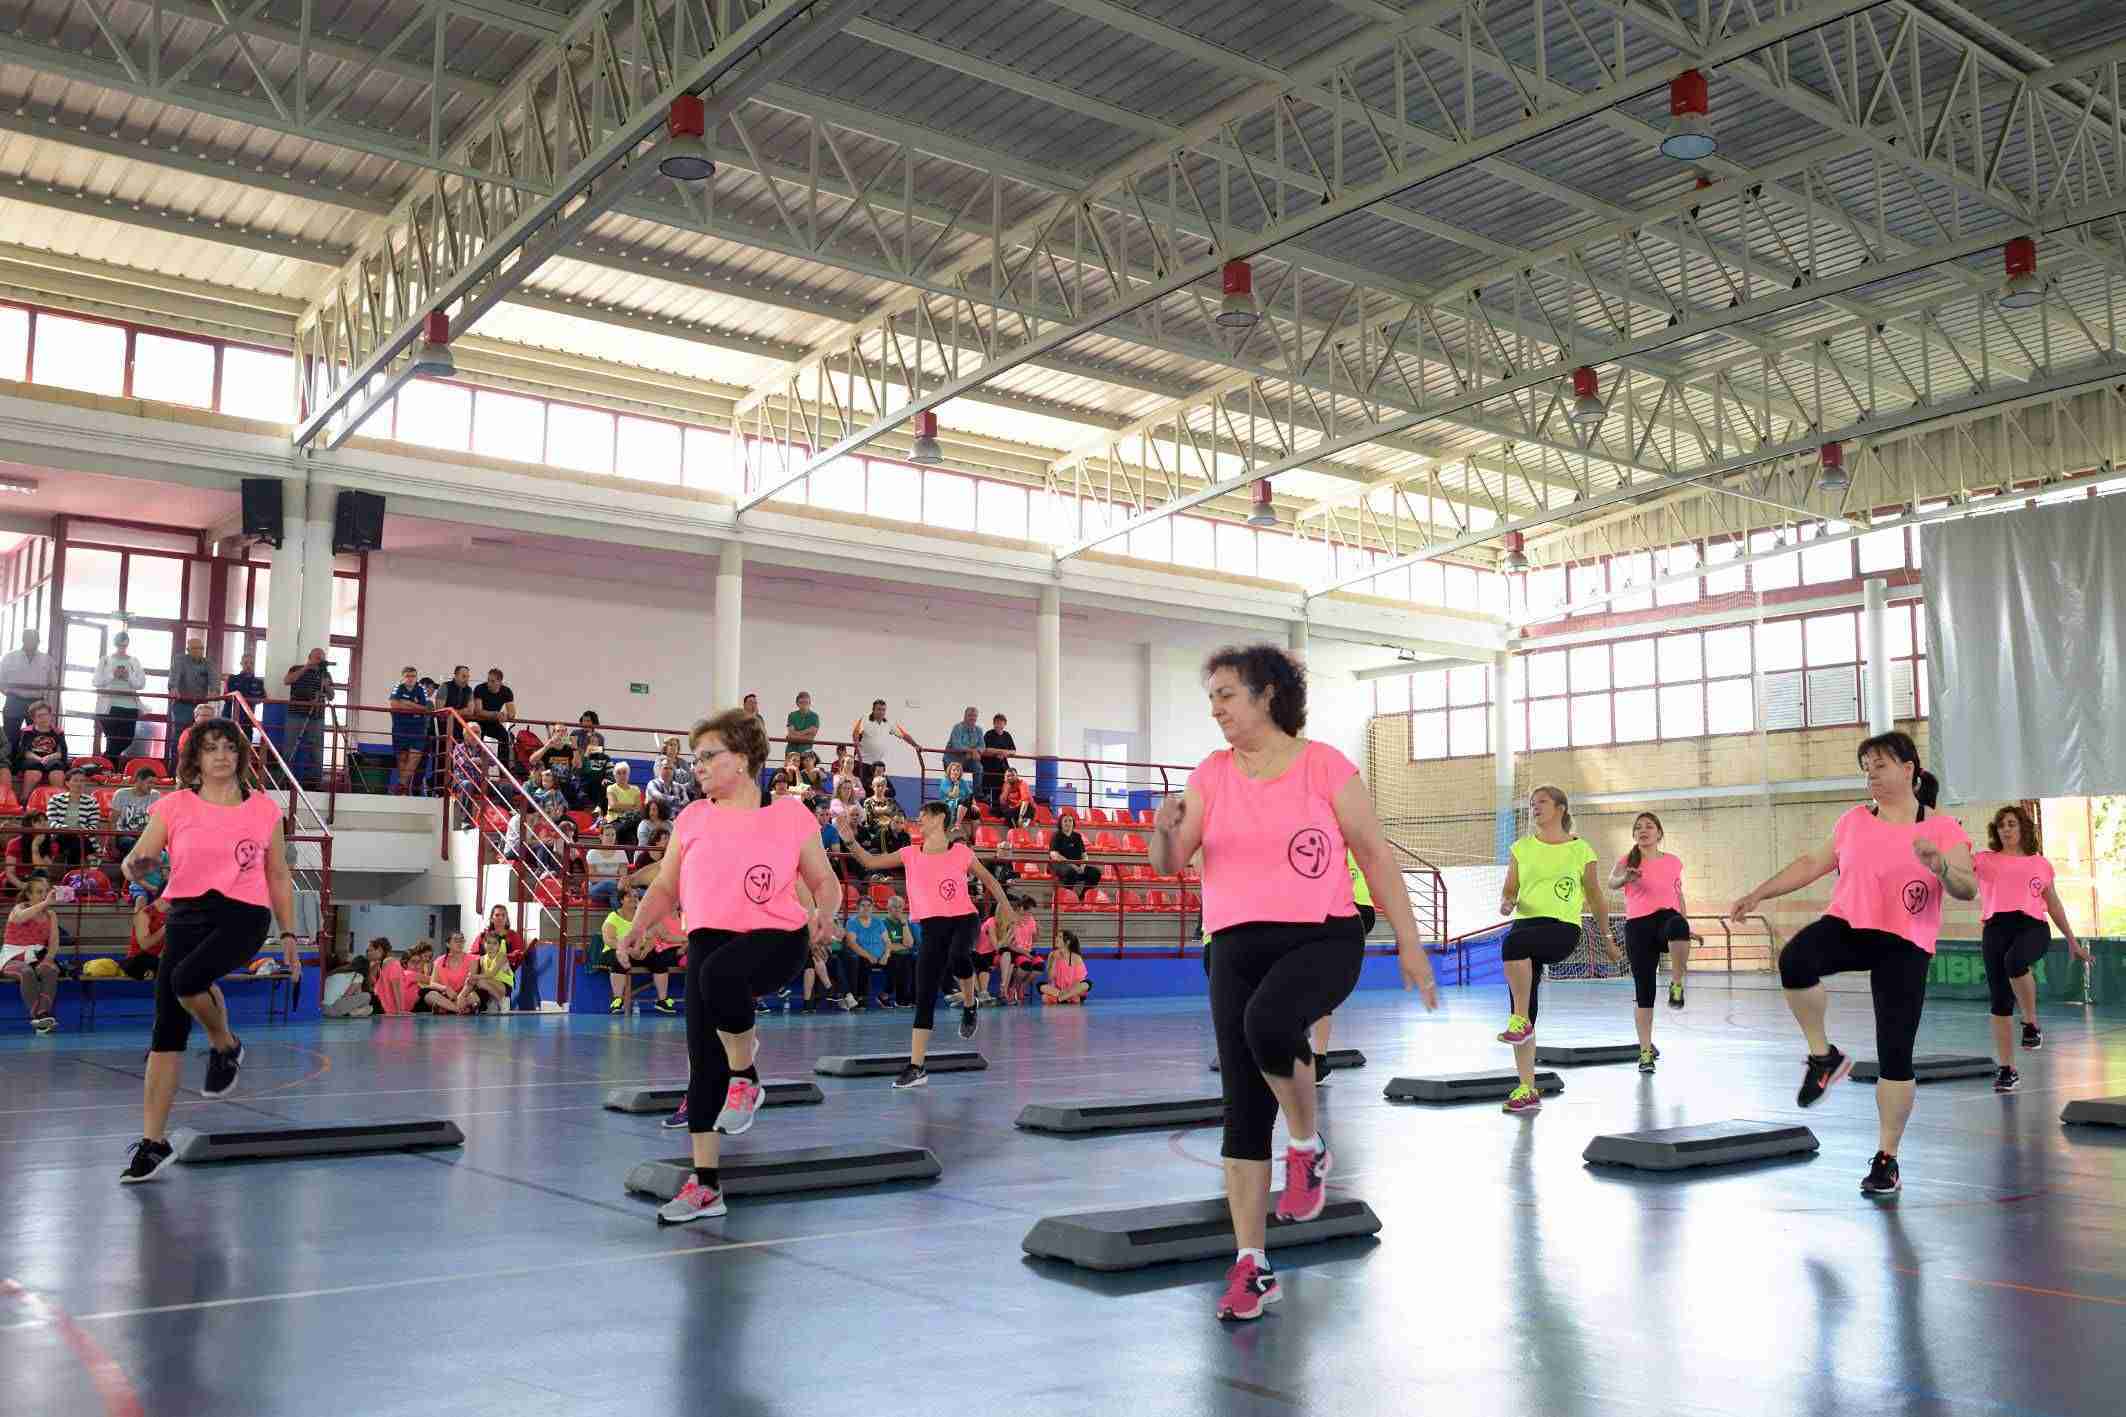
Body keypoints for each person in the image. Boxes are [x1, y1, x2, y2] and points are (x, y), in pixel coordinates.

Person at [1148, 643, 1438, 1323]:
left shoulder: (1324, 765)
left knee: (1269, 1025)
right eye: (1211, 697)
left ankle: (1306, 1145)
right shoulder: (1211, 775)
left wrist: (1410, 943)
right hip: (1233, 946)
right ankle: (1253, 1266)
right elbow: (1170, 862)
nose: (1216, 707)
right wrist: (1161, 834)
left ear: (1267, 694)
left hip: (1323, 935)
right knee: (1242, 1112)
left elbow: (1375, 854)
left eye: (1227, 693)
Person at [1730, 730, 1976, 1197]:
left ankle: (1887, 1157)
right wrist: (1758, 892)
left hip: (1906, 943)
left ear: (1909, 768)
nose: (1872, 777)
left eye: (1880, 766)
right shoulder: (1853, 822)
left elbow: (1967, 888)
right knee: (1795, 960)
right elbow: (1809, 863)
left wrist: (1941, 866)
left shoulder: (1943, 829)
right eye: (1866, 770)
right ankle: (1824, 1055)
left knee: (1896, 1056)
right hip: (1850, 925)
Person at [620, 709, 840, 1224]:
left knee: (720, 978)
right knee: (702, 1063)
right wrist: (640, 923)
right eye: (696, 758)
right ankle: (706, 1186)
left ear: (741, 759)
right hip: (707, 939)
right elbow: (667, 885)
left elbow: (825, 882)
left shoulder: (790, 815)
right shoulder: (693, 818)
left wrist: (825, 917)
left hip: (777, 937)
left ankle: (747, 1073)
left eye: (707, 756)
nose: (697, 766)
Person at [116, 717, 301, 1182]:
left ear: (240, 757)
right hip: (186, 914)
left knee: (185, 980)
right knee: (166, 1030)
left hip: (244, 915)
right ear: (195, 759)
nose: (221, 755)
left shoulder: (263, 810)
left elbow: (278, 876)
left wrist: (290, 937)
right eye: (211, 748)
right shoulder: (174, 805)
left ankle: (225, 1044)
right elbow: (138, 858)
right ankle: (154, 1143)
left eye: (229, 748)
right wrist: (135, 867)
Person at [841, 800, 1017, 1087]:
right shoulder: (910, 853)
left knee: (959, 955)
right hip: (931, 926)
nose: (918, 820)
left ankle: (970, 1004)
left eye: (923, 816)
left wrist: (1006, 908)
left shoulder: (960, 851)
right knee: (924, 997)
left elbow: (990, 880)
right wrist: (849, 840)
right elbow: (870, 862)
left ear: (939, 818)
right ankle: (916, 1067)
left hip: (963, 918)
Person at [1496, 785, 1616, 1114]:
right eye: (1532, 804)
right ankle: (1526, 1088)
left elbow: (1594, 896)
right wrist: (1507, 902)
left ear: (1561, 808)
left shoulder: (1580, 850)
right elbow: (1510, 889)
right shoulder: (1521, 847)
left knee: (1513, 945)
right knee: (1523, 1008)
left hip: (1562, 928)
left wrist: (1606, 937)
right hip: (1524, 929)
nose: (1535, 807)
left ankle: (1520, 1020)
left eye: (1542, 802)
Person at [1973, 805, 2088, 1092]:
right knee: (1999, 1001)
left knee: (2015, 961)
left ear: (2023, 827)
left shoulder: (2040, 864)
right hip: (1996, 928)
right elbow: (1955, 865)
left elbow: (2054, 904)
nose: (2006, 829)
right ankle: (2008, 1069)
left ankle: (2031, 1023)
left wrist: (2072, 940)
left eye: (2011, 824)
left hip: (2032, 927)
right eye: (2001, 825)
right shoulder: (1985, 860)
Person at [1610, 812, 1703, 1073]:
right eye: (1638, 827)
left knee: (1677, 923)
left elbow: (1678, 893)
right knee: (1644, 993)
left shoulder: (1673, 861)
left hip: (1666, 920)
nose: (1644, 830)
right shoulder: (1628, 860)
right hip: (1638, 927)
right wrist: (1625, 879)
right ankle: (1645, 1052)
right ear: (1634, 835)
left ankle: (1676, 984)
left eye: (1649, 827)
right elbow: (1611, 882)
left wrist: (1685, 928)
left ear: (1659, 833)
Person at [2, 874, 60, 1033]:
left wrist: (48, 959)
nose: (44, 896)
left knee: (51, 971)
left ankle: (42, 1016)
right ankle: (39, 1018)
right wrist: (45, 903)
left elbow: (54, 943)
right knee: (26, 972)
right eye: (39, 892)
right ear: (29, 894)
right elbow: (20, 919)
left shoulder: (51, 915)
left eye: (46, 892)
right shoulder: (19, 908)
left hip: (36, 957)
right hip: (12, 957)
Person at [0, 627, 59, 765]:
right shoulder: (10, 657)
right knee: (10, 735)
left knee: (36, 736)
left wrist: (44, 701)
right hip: (14, 700)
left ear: (38, 641)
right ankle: (9, 765)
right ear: (23, 640)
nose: (31, 642)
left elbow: (53, 683)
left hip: (37, 703)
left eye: (34, 639)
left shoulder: (47, 660)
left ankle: (31, 765)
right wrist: (9, 693)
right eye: (28, 639)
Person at [281, 648, 334, 789]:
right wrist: (306, 667)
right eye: (316, 657)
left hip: (317, 716)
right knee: (289, 749)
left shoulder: (325, 673)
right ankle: (287, 781)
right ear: (309, 657)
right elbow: (287, 681)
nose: (319, 660)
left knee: (317, 751)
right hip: (295, 714)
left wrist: (326, 685)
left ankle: (315, 783)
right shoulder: (296, 668)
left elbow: (331, 696)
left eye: (321, 658)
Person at [93, 629, 146, 762]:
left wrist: (128, 676)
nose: (122, 648)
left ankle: (104, 766)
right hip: (108, 707)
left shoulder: (134, 661)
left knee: (126, 740)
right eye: (119, 645)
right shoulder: (105, 660)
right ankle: (110, 771)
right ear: (115, 644)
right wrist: (113, 675)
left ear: (128, 644)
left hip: (130, 706)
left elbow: (140, 684)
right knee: (113, 741)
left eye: (124, 645)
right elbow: (96, 682)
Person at [168, 636, 215, 768]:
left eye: (200, 648)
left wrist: (213, 691)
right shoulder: (180, 660)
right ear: (188, 650)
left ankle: (200, 771)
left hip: (201, 706)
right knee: (180, 737)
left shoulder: (208, 663)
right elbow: (174, 678)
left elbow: (214, 682)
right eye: (194, 649)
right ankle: (175, 772)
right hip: (182, 704)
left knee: (203, 737)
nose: (198, 651)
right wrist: (174, 688)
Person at [43, 765, 103, 866]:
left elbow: (94, 826)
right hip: (59, 835)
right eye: (75, 780)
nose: (79, 783)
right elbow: (50, 822)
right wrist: (66, 828)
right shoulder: (56, 799)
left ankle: (70, 876)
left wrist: (79, 829)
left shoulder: (92, 801)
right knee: (73, 839)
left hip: (82, 835)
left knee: (74, 844)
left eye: (82, 781)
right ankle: (90, 856)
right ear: (67, 783)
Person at [387, 665, 433, 794]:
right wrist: (414, 706)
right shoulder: (398, 687)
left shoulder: (421, 689)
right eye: (408, 676)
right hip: (400, 726)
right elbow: (394, 704)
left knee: (414, 757)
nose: (411, 679)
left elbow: (425, 708)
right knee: (402, 757)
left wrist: (406, 703)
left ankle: (401, 784)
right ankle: (403, 789)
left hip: (418, 728)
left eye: (413, 676)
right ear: (403, 678)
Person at [842, 895, 892, 1008]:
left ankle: (884, 996)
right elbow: (852, 944)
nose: (866, 908)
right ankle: (861, 998)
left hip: (881, 955)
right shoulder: (852, 922)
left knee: (898, 965)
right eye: (863, 906)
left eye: (869, 906)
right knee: (862, 963)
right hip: (863, 954)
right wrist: (869, 956)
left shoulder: (878, 922)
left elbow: (887, 941)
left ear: (872, 908)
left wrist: (886, 955)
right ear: (857, 907)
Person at [12, 701, 67, 801]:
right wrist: (39, 759)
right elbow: (25, 752)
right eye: (40, 716)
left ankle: (60, 801)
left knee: (57, 767)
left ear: (50, 715)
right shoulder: (26, 732)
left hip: (52, 759)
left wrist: (48, 757)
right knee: (34, 768)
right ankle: (24, 799)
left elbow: (61, 753)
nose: (44, 718)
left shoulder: (58, 732)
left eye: (46, 714)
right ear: (33, 718)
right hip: (32, 759)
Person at [109, 761, 162, 861]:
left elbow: (158, 821)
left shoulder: (155, 795)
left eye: (154, 783)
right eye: (149, 782)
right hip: (123, 835)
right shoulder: (121, 794)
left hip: (145, 836)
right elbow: (113, 820)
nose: (152, 786)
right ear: (138, 780)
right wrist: (111, 843)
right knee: (134, 843)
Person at [423, 932, 480, 1014]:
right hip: (446, 996)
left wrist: (461, 995)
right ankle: (458, 1009)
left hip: (464, 994)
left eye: (462, 940)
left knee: (474, 998)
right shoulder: (439, 961)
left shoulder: (473, 960)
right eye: (456, 940)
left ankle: (446, 1008)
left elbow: (472, 982)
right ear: (448, 944)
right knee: (430, 996)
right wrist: (445, 989)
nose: (460, 943)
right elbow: (432, 983)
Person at [1048, 810, 1101, 891]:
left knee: (1095, 872)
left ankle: (1083, 896)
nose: (1068, 823)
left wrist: (1083, 866)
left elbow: (1084, 854)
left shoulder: (1077, 836)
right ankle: (1068, 896)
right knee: (1071, 872)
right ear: (1060, 824)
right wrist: (1074, 866)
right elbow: (1054, 855)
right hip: (1059, 865)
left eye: (1070, 821)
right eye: (1065, 821)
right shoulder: (1056, 836)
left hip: (1077, 865)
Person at [469, 668, 515, 760]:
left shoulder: (507, 691)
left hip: (492, 723)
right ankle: (474, 763)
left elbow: (512, 713)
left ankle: (504, 768)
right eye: (488, 680)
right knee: (476, 736)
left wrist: (505, 715)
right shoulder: (480, 688)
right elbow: (478, 711)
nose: (489, 683)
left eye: (492, 681)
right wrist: (496, 714)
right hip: (478, 722)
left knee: (504, 736)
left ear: (500, 682)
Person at [123, 893, 167, 981]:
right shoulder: (144, 914)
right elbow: (145, 944)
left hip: (156, 959)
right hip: (137, 960)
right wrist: (165, 927)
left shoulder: (171, 914)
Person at [1040, 932, 1090, 1005]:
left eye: (1060, 937)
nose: (1056, 938)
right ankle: (1067, 998)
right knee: (1041, 987)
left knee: (1086, 984)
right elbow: (1050, 978)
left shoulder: (1076, 957)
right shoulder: (1052, 955)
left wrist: (1068, 990)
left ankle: (1061, 999)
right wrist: (1054, 960)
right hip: (1058, 990)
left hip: (1072, 989)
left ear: (1067, 942)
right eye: (1056, 936)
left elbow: (1079, 980)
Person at [584, 826, 629, 908]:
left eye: (613, 835)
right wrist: (613, 879)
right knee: (610, 884)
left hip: (615, 889)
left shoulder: (621, 852)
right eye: (607, 835)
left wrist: (605, 878)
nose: (611, 837)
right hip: (595, 889)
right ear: (601, 836)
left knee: (614, 893)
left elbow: (623, 876)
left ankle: (618, 918)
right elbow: (593, 878)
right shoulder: (593, 853)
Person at [944, 706, 985, 794]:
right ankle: (952, 795)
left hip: (969, 759)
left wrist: (976, 751)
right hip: (953, 760)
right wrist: (972, 751)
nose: (972, 718)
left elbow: (982, 746)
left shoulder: (979, 730)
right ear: (965, 716)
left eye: (974, 716)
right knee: (954, 781)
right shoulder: (957, 728)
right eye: (970, 715)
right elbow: (957, 746)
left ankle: (977, 795)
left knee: (979, 767)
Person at [935, 759, 979, 833]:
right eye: (954, 770)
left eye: (958, 770)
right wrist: (956, 783)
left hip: (962, 807)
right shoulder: (945, 781)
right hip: (949, 805)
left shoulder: (963, 782)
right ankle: (957, 824)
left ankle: (973, 837)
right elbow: (953, 796)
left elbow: (970, 794)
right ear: (950, 771)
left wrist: (974, 804)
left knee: (975, 812)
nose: (956, 772)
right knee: (962, 800)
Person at [981, 713, 1016, 805]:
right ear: (994, 723)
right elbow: (985, 749)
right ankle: (986, 805)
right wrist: (999, 752)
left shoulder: (1007, 735)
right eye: (997, 722)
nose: (999, 724)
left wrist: (1004, 754)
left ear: (1005, 724)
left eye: (1001, 722)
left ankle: (999, 806)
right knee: (987, 787)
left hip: (1002, 764)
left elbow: (1013, 751)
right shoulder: (989, 734)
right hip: (988, 764)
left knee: (1004, 783)